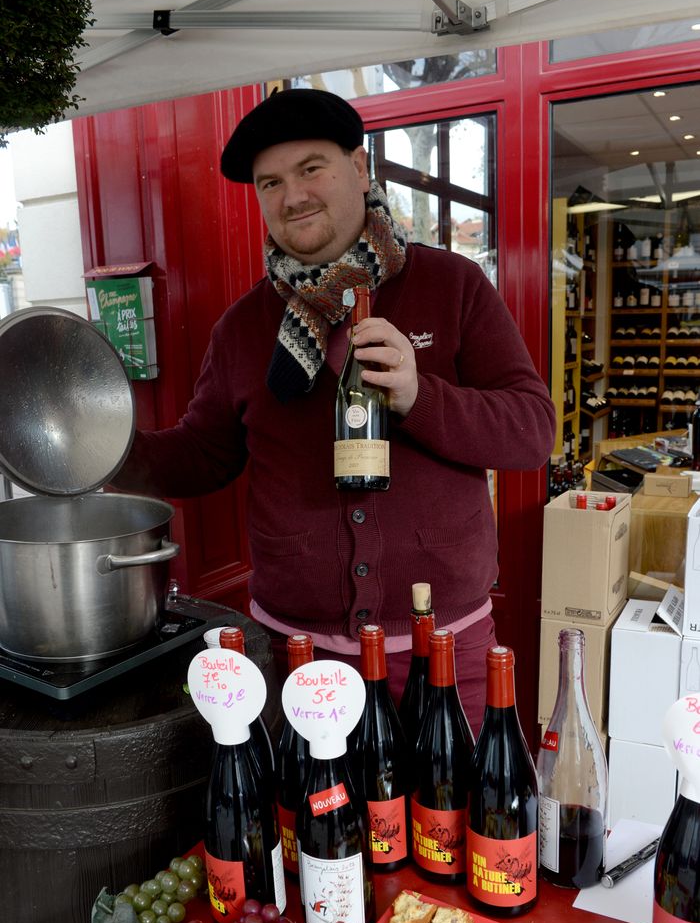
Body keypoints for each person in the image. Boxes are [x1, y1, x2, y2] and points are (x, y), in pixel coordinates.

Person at [112, 87, 556, 733]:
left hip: (445, 655)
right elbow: (202, 455)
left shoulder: (452, 288)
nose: (292, 196)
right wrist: (104, 453)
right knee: (313, 835)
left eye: (310, 168)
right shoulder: (241, 330)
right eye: (270, 183)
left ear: (359, 166)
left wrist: (418, 395)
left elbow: (531, 431)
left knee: (464, 832)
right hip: (299, 662)